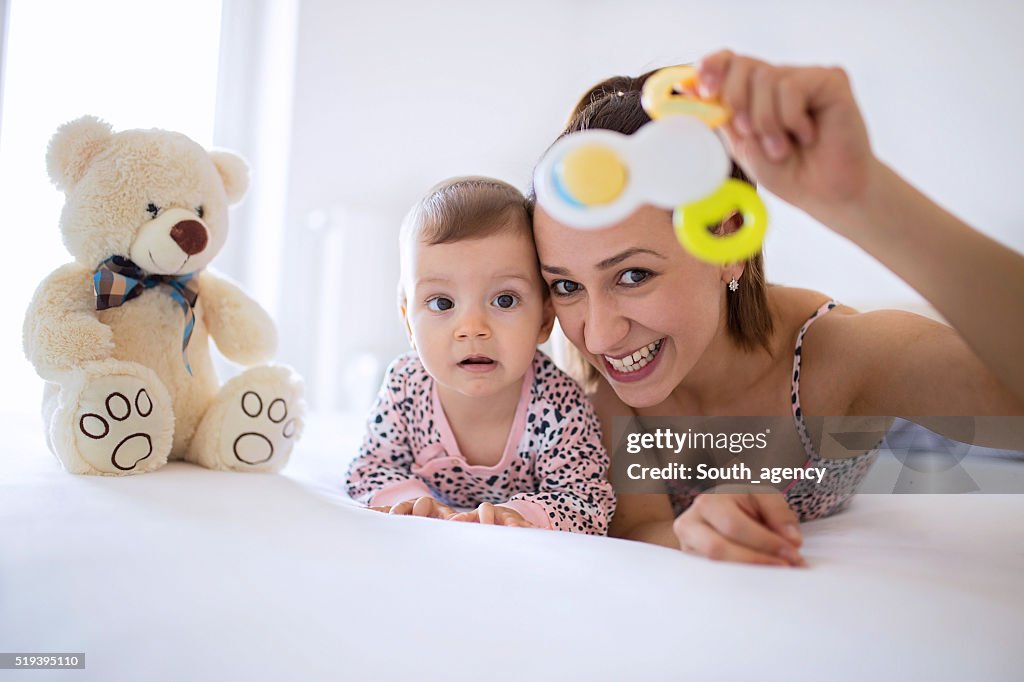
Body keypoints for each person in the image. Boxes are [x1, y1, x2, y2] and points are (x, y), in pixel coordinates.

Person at [530, 50, 1024, 565]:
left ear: (729, 242)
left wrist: (862, 196)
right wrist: (691, 535)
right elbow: (638, 524)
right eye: (566, 287)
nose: (601, 337)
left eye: (634, 276)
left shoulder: (840, 362)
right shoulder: (591, 396)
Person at [346, 176, 616, 534]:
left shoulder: (558, 405)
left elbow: (587, 500)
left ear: (544, 320)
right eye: (442, 303)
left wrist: (522, 516)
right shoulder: (405, 387)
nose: (472, 328)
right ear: (409, 324)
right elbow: (370, 468)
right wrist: (412, 501)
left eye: (504, 300)